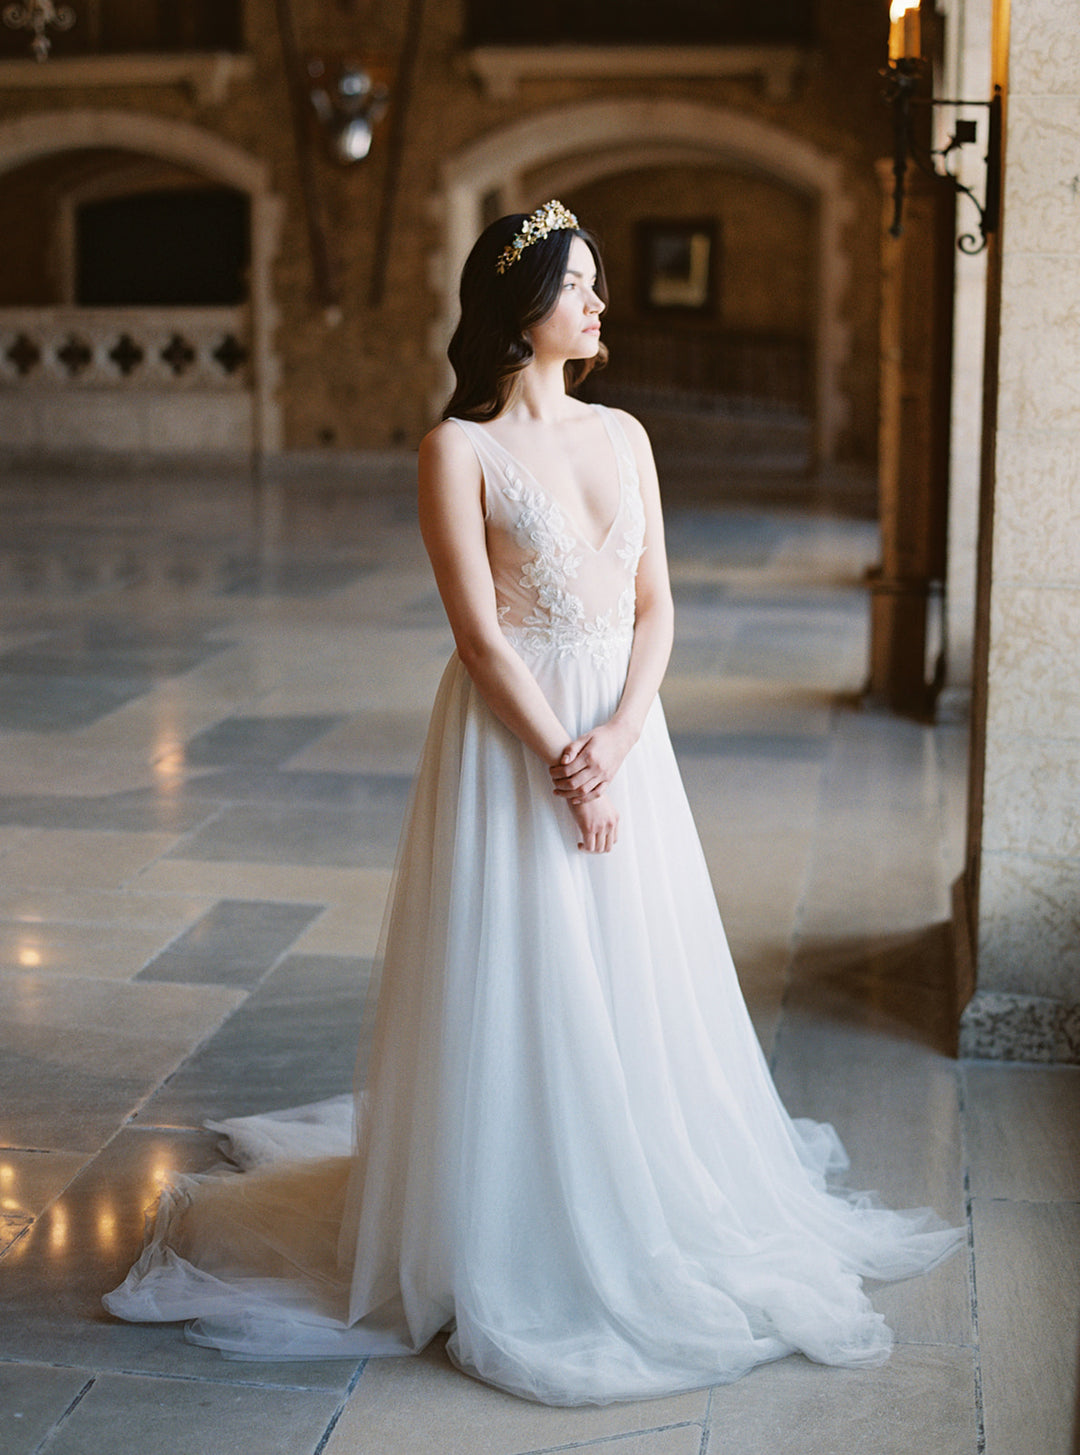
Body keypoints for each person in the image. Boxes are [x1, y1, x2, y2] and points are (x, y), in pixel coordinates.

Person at [104, 201, 962, 1406]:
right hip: (516, 743)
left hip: (626, 737)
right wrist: (566, 757)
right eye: (579, 286)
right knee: (529, 957)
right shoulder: (454, 452)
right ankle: (513, 1218)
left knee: (632, 956)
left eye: (601, 285)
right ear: (518, 307)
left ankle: (638, 1177)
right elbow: (478, 634)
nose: (601, 304)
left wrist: (616, 739)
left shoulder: (627, 435)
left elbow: (658, 608)